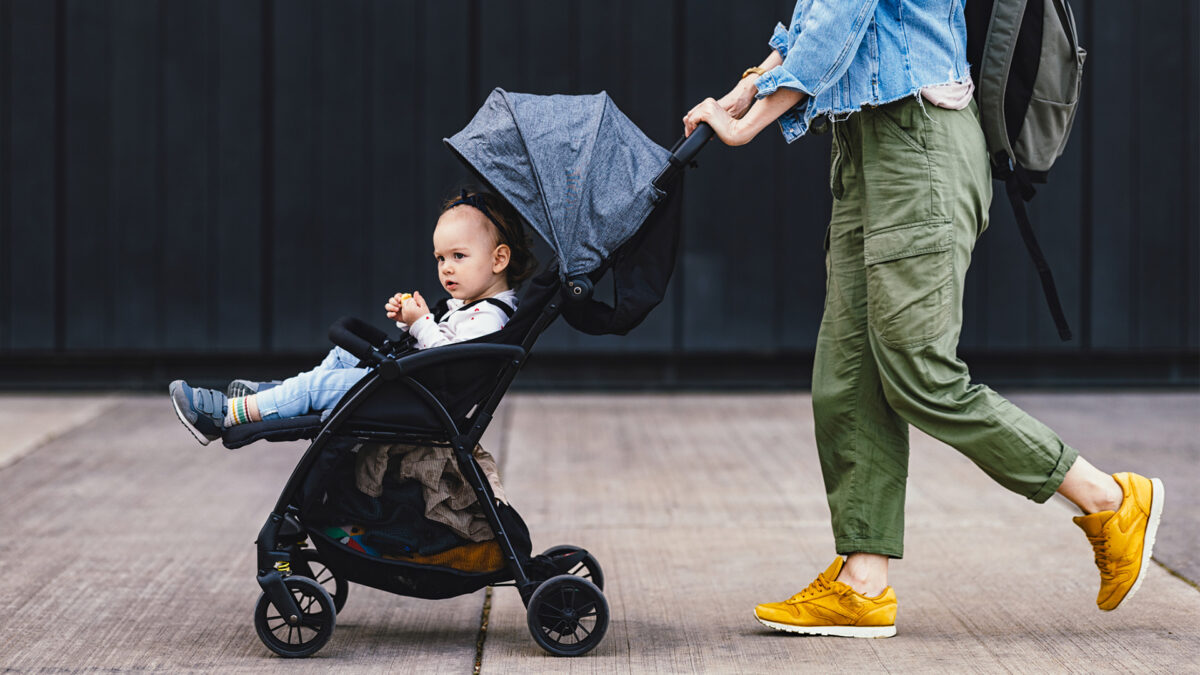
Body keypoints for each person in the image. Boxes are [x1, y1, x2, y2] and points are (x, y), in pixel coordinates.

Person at [682, 1, 1163, 638]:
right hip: (864, 144)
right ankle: (862, 582)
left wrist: (753, 117)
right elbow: (818, 17)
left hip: (919, 144)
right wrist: (753, 81)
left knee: (919, 371)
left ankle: (1111, 501)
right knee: (847, 374)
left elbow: (843, 18)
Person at [169, 189, 536, 446]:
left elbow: (454, 366)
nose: (446, 268)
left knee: (320, 388)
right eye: (440, 258)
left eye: (458, 256)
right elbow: (440, 345)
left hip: (420, 402)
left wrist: (423, 323)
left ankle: (228, 415)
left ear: (498, 260)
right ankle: (277, 396)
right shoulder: (471, 305)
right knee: (347, 356)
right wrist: (411, 322)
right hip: (413, 388)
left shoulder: (490, 319)